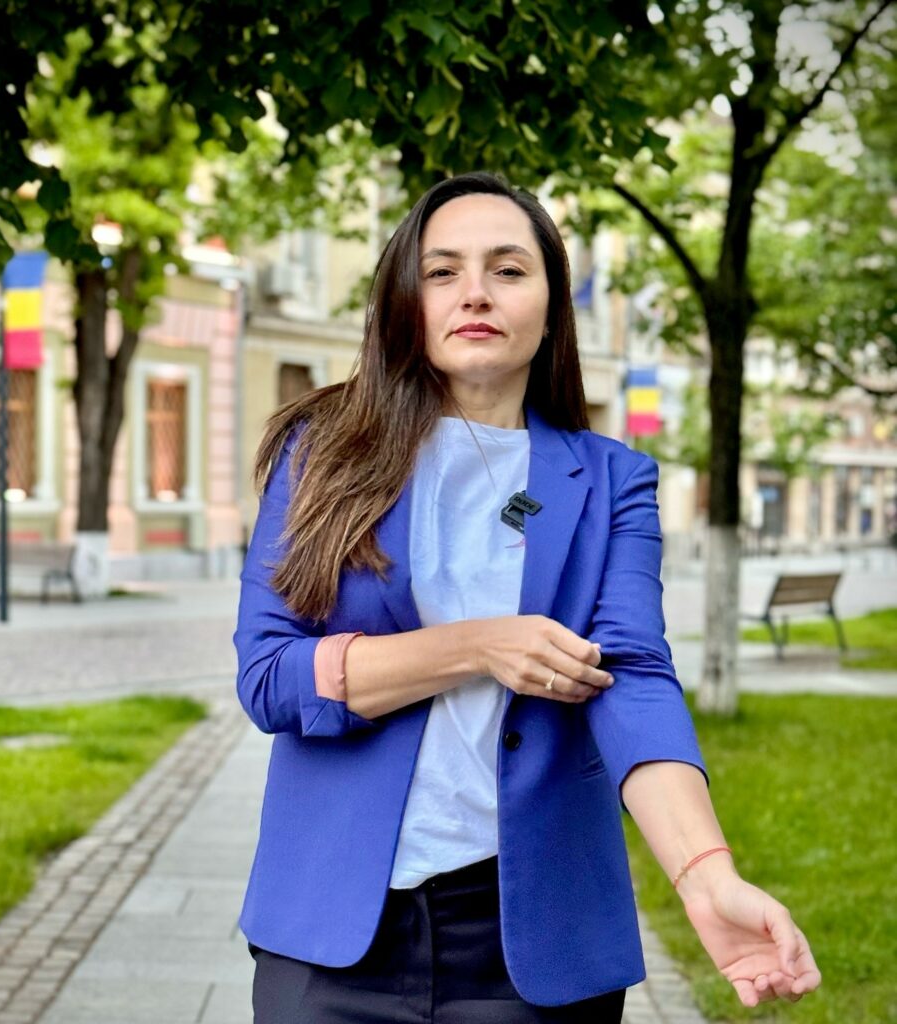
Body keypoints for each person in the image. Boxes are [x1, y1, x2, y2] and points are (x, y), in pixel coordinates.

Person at [234, 171, 820, 1023]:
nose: (475, 292)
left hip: (534, 941)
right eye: (442, 271)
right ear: (405, 302)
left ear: (552, 306)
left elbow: (632, 679)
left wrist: (707, 875)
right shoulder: (320, 452)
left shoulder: (612, 480)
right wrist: (478, 646)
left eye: (508, 270)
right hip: (331, 933)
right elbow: (269, 678)